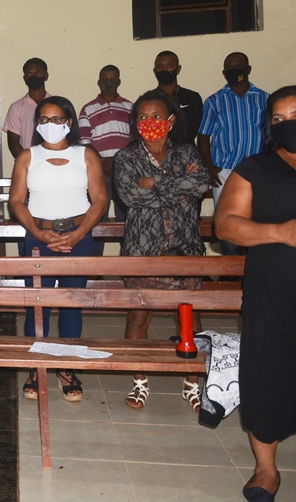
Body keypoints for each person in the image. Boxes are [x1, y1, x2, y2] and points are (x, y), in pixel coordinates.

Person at [216, 85, 296, 502]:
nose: (287, 125)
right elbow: (226, 225)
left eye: (295, 115)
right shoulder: (255, 168)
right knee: (270, 370)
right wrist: (279, 232)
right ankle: (266, 469)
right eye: (278, 119)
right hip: (274, 289)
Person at [114, 90, 209, 411]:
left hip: (186, 249)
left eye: (156, 116)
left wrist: (152, 182)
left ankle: (192, 382)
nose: (149, 122)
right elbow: (130, 197)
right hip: (143, 250)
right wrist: (178, 186)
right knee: (139, 316)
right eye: (142, 116)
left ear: (170, 120)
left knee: (190, 318)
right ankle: (139, 380)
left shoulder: (187, 151)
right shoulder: (126, 157)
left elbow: (201, 185)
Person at [8, 96, 107, 402]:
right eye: (44, 120)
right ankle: (36, 367)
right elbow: (16, 201)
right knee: (37, 305)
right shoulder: (27, 157)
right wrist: (39, 233)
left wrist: (78, 234)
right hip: (39, 237)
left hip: (79, 236)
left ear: (69, 122)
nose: (50, 125)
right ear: (36, 124)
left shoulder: (86, 155)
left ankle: (66, 368)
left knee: (71, 303)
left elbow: (100, 200)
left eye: (57, 119)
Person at [198, 52, 269, 255]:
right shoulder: (214, 101)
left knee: (257, 220)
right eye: (230, 68)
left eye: (238, 66)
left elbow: (272, 134)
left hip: (258, 171)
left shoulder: (265, 99)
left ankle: (254, 264)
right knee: (228, 226)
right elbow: (203, 137)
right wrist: (209, 167)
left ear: (248, 69)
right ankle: (230, 266)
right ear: (224, 72)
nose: (234, 70)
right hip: (225, 172)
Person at [78, 66, 132, 257]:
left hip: (126, 170)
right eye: (105, 79)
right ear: (99, 82)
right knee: (97, 217)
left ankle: (129, 260)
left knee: (126, 218)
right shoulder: (87, 109)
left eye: (113, 79)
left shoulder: (131, 107)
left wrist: (117, 161)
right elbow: (84, 142)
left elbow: (135, 140)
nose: (109, 82)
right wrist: (103, 162)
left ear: (119, 81)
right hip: (98, 171)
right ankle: (95, 263)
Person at [2, 57, 54, 159]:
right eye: (29, 74)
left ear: (46, 76)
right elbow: (13, 143)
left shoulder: (57, 105)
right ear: (24, 78)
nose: (33, 77)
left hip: (54, 162)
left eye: (37, 73)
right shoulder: (16, 107)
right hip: (27, 164)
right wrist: (28, 163)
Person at [152, 50, 203, 144]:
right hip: (156, 150)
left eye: (169, 66)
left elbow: (195, 130)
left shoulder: (192, 98)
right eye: (160, 66)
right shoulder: (149, 100)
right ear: (155, 71)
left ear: (178, 69)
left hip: (187, 150)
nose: (164, 70)